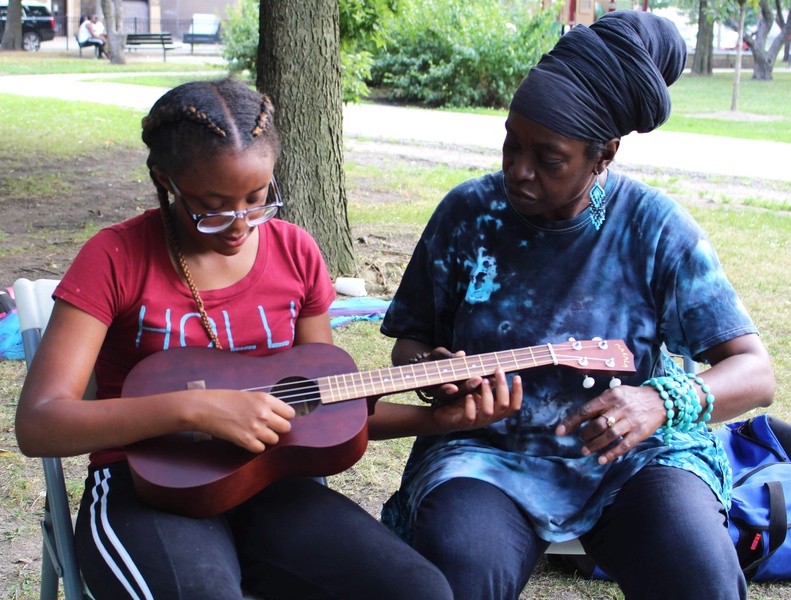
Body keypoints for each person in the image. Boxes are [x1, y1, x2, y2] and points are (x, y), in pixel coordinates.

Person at [368, 11, 776, 600]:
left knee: (696, 570)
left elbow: (755, 372)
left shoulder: (654, 229)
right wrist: (436, 378)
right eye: (511, 143)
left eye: (548, 158)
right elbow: (410, 345)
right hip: (488, 451)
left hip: (633, 457)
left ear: (602, 156)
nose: (518, 170)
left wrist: (657, 402)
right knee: (459, 570)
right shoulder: (468, 215)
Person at [14, 78, 453, 600]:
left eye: (257, 197)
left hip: (270, 486)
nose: (240, 224)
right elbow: (39, 423)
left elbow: (322, 413)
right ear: (164, 180)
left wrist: (436, 420)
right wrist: (194, 409)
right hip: (144, 488)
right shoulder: (116, 257)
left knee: (419, 590)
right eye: (212, 205)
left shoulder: (296, 253)